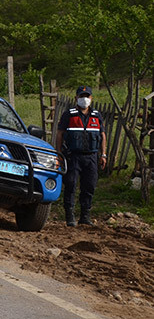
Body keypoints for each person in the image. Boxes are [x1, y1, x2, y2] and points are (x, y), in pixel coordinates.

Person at [56, 85, 106, 226]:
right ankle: (69, 215)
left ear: (91, 98)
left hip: (91, 157)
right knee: (70, 184)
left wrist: (104, 154)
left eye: (87, 96)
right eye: (81, 96)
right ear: (76, 98)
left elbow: (102, 135)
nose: (84, 99)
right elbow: (60, 134)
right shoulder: (69, 115)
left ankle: (85, 215)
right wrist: (59, 153)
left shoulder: (97, 116)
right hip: (73, 156)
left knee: (89, 186)